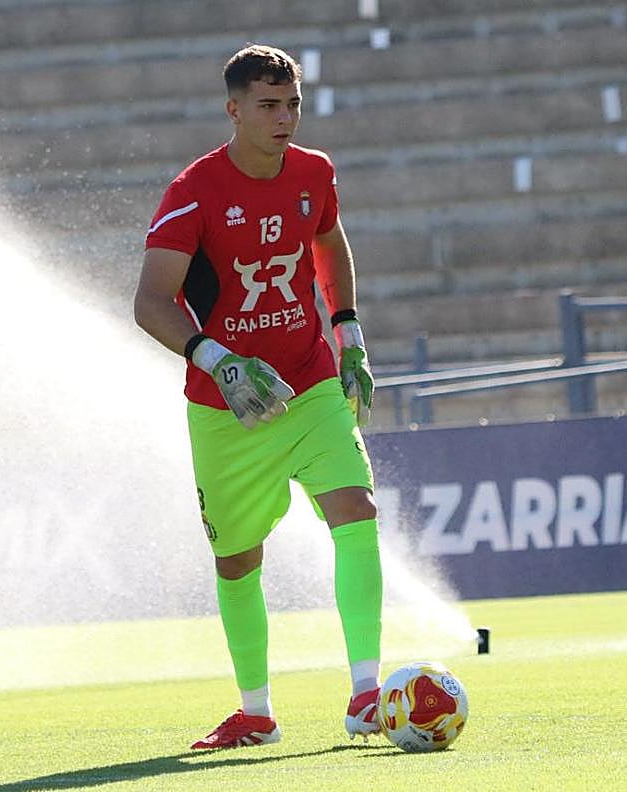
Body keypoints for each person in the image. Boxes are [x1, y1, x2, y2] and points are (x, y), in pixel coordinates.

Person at [133, 44, 382, 750]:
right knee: (238, 560)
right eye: (269, 106)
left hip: (306, 384)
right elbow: (151, 302)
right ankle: (256, 710)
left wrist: (350, 334)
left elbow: (329, 245)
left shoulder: (315, 173)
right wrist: (219, 361)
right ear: (234, 109)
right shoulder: (194, 190)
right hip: (227, 408)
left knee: (357, 512)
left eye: (293, 103)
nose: (285, 119)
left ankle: (367, 693)